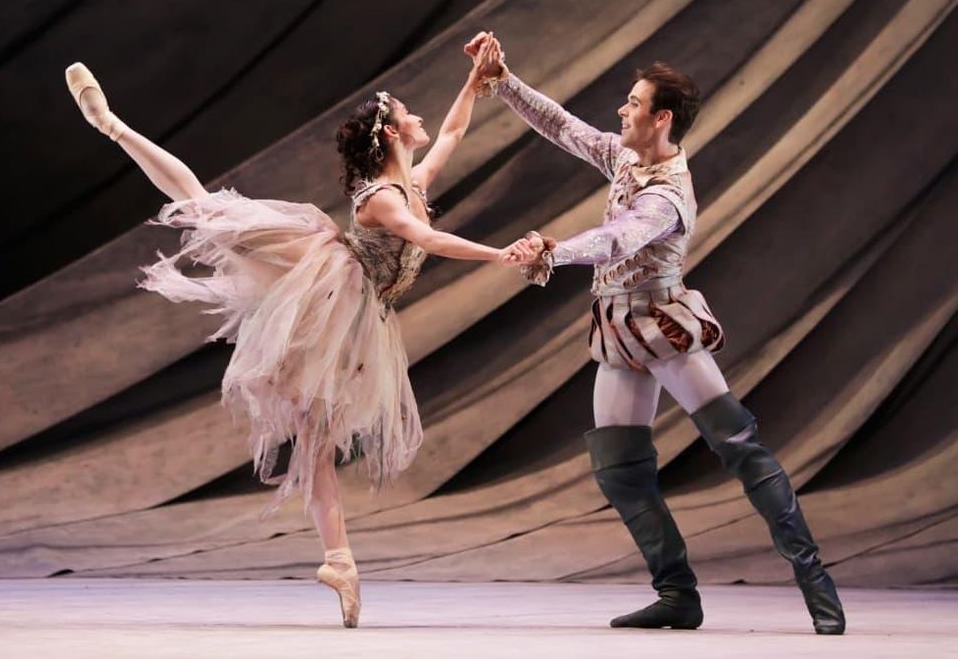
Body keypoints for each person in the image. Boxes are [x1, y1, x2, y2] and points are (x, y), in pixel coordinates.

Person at [64, 38, 527, 628]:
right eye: (408, 112)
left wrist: (476, 80)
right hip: (328, 287)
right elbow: (428, 239)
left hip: (363, 315)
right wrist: (500, 254)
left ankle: (339, 562)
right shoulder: (385, 200)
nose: (420, 118)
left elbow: (456, 132)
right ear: (391, 132)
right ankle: (111, 126)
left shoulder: (414, 183)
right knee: (206, 207)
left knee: (316, 443)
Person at [470, 32, 845, 635]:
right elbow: (563, 126)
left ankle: (817, 585)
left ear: (661, 118)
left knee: (740, 449)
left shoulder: (669, 192)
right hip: (619, 329)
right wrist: (503, 81)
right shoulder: (626, 157)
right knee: (619, 468)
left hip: (662, 324)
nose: (623, 110)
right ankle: (676, 594)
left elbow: (618, 238)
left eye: (634, 103)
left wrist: (552, 250)